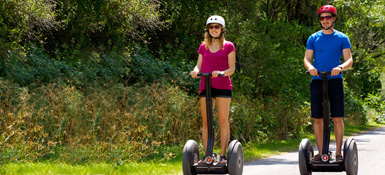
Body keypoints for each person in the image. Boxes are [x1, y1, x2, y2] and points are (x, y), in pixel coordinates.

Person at [303, 5, 353, 162]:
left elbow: (349, 60)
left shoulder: (342, 38)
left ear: (334, 19)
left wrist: (340, 67)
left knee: (337, 118)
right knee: (318, 118)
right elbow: (307, 59)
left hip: (335, 80)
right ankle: (320, 153)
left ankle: (338, 153)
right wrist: (310, 68)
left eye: (328, 17)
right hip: (318, 81)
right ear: (320, 20)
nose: (325, 20)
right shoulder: (313, 38)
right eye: (322, 18)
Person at [190, 15, 236, 164]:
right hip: (206, 85)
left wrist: (221, 72)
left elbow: (232, 69)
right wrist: (195, 71)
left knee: (223, 120)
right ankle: (207, 155)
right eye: (211, 27)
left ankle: (223, 156)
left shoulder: (229, 46)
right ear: (208, 30)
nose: (214, 29)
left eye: (217, 27)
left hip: (222, 86)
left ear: (222, 29)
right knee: (206, 122)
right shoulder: (203, 46)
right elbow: (199, 65)